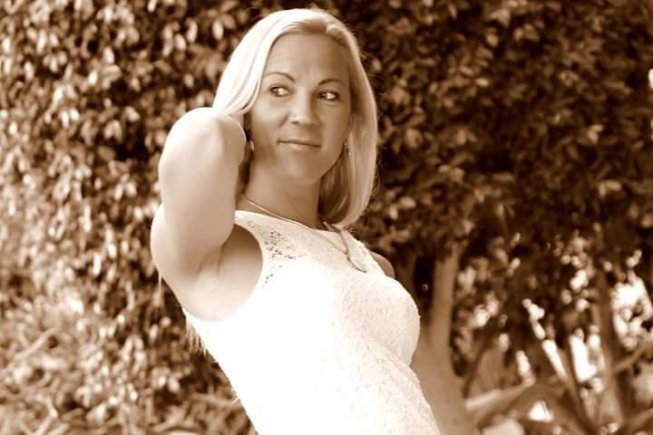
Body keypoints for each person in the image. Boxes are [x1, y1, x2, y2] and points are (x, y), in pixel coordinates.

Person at [150, 8, 441, 435]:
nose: (304, 114)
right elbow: (203, 135)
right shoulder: (215, 251)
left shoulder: (372, 266)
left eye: (328, 95)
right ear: (246, 108)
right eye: (278, 90)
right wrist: (237, 125)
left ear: (351, 120)